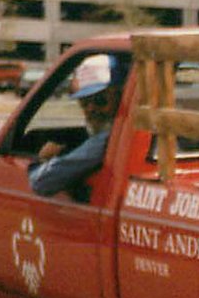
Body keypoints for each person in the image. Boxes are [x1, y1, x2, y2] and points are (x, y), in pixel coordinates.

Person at [28, 54, 127, 196]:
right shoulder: (112, 135)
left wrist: (42, 160)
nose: (91, 109)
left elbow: (40, 182)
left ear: (120, 97)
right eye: (85, 102)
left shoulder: (106, 140)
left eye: (100, 100)